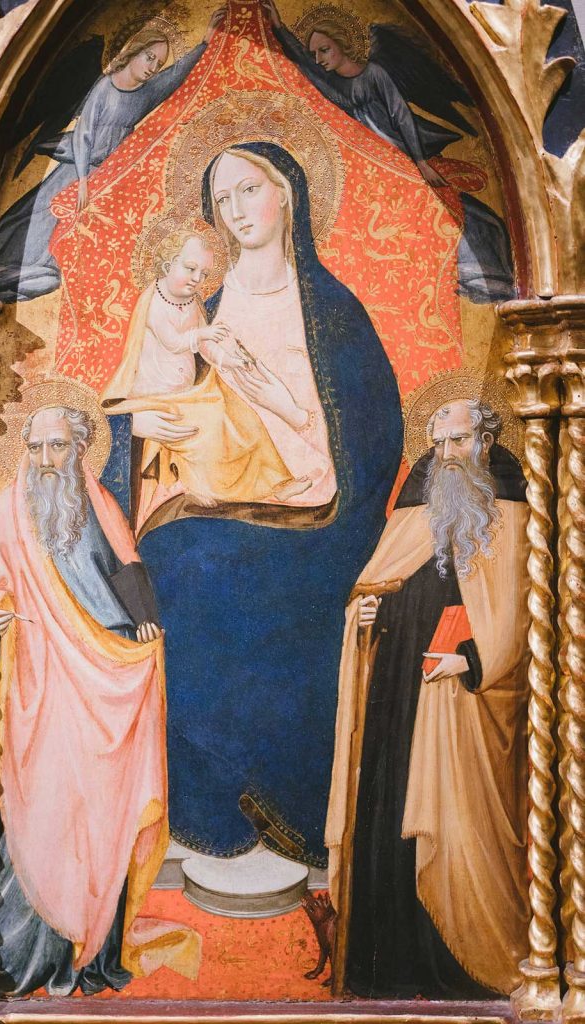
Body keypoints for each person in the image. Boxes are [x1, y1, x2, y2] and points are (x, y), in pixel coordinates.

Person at [123, 142, 403, 866]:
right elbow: (154, 398)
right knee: (168, 556)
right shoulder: (202, 311)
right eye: (221, 200)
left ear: (289, 193)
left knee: (222, 566)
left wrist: (297, 429)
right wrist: (144, 427)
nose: (236, 211)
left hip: (324, 511)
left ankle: (287, 799)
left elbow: (372, 435)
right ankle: (209, 803)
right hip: (220, 492)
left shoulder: (333, 312)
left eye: (249, 190)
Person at [0, 397, 199, 996]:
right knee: (41, 811)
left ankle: (92, 956)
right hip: (40, 686)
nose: (46, 459)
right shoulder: (4, 513)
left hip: (105, 679)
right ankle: (25, 958)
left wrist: (143, 622)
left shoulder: (98, 504)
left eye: (58, 446)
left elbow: (128, 568)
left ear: (79, 452)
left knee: (104, 816)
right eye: (36, 447)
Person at [326, 393, 530, 998]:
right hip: (396, 694)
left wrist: (471, 660)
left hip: (462, 698)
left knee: (461, 826)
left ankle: (464, 967)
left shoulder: (511, 513)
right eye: (439, 443)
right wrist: (364, 614)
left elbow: (520, 616)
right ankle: (389, 968)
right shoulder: (416, 508)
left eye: (459, 440)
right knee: (389, 815)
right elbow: (376, 584)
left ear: (485, 443)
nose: (446, 454)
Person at [262, 0, 515, 304]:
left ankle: (481, 268)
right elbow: (303, 64)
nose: (319, 59)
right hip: (371, 167)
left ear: (343, 44)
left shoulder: (374, 74)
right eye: (316, 53)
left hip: (399, 159)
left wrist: (420, 162)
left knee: (445, 208)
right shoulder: (334, 86)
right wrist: (278, 27)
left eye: (325, 50)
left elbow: (401, 116)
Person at [0, 12, 225, 303]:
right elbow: (83, 137)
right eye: (149, 57)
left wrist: (204, 43)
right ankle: (5, 269)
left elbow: (174, 77)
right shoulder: (104, 88)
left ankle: (44, 273)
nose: (153, 68)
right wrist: (83, 181)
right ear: (133, 51)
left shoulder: (145, 94)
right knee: (38, 216)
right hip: (78, 172)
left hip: (106, 178)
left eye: (158, 63)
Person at [101, 225, 308, 511]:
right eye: (190, 268)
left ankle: (278, 483)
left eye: (204, 274)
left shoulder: (192, 301)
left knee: (244, 417)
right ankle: (200, 487)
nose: (197, 278)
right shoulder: (154, 302)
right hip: (157, 398)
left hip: (192, 393)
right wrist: (203, 333)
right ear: (168, 264)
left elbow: (204, 348)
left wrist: (227, 360)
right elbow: (174, 343)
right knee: (206, 429)